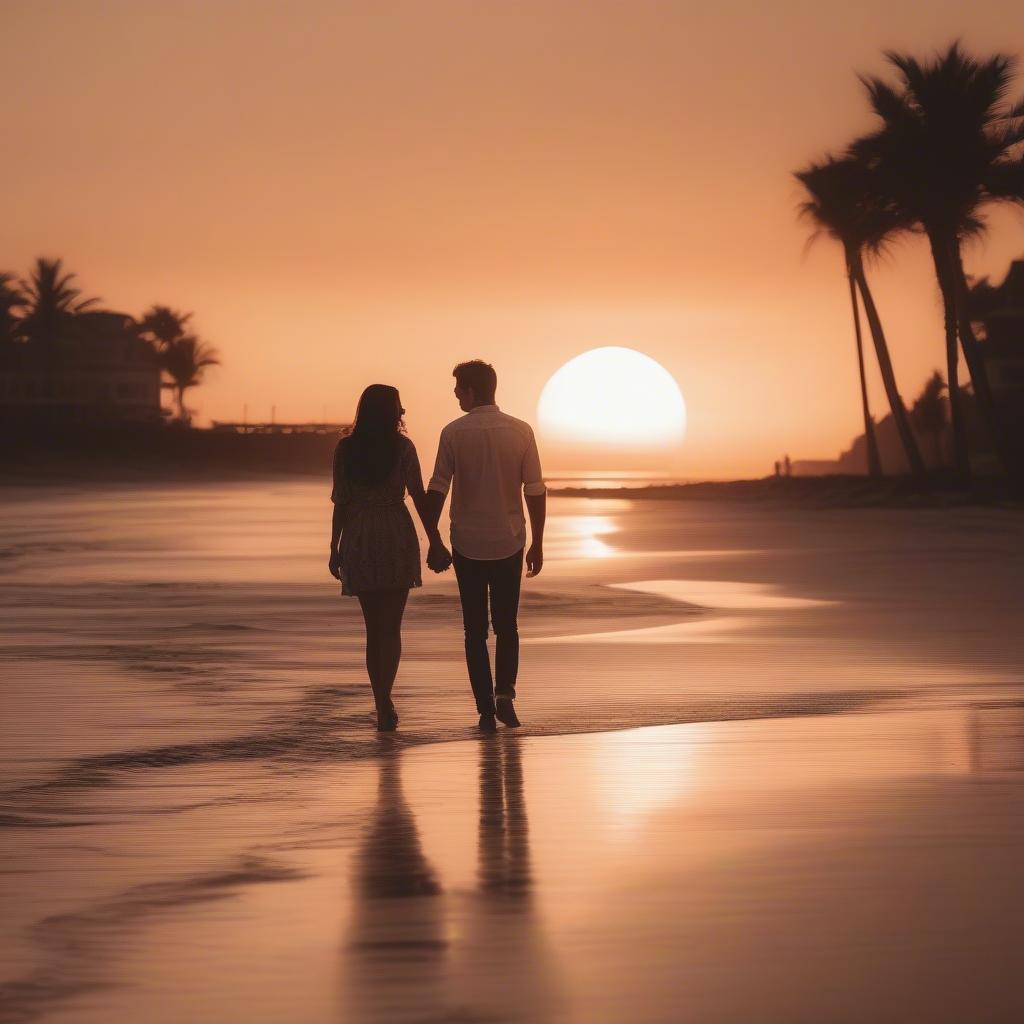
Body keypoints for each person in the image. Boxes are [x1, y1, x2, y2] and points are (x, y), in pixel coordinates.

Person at [423, 361, 546, 733]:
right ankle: (505, 691)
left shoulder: (453, 433)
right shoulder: (521, 431)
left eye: (459, 387)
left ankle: (484, 710)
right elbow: (535, 490)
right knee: (507, 625)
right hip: (509, 540)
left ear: (473, 391)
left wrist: (434, 541)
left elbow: (437, 491)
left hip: (467, 543)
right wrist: (538, 543)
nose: (455, 393)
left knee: (474, 631)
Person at [328, 384, 449, 731]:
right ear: (389, 411)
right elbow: (418, 495)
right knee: (391, 628)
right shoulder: (403, 448)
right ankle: (385, 700)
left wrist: (333, 548)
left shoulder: (346, 450)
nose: (404, 411)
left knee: (372, 629)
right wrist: (435, 541)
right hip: (396, 531)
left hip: (360, 533)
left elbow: (341, 501)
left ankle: (381, 701)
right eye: (399, 406)